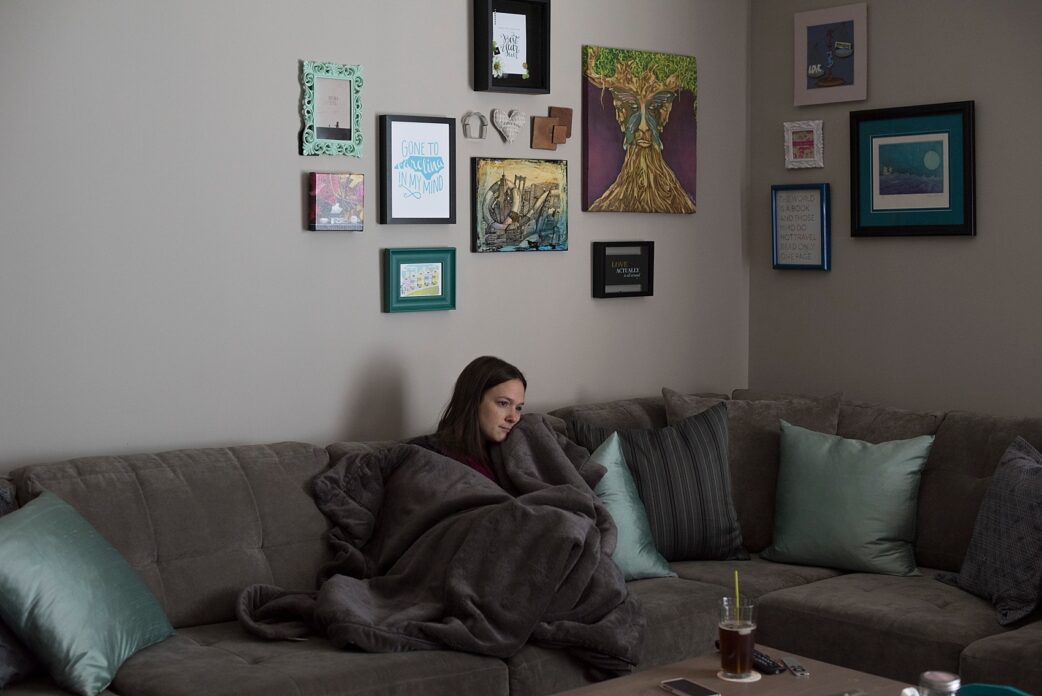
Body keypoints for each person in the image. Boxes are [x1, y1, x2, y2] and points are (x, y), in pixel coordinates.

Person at [410, 356, 526, 485]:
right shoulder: (425, 454)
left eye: (518, 407)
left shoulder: (512, 455)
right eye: (503, 403)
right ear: (473, 401)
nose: (514, 417)